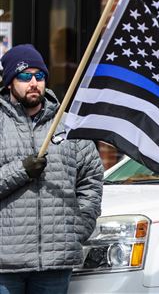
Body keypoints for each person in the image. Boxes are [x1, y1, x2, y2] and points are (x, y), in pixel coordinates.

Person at [0, 44, 103, 294]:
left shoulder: (68, 126)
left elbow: (91, 180)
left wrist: (77, 229)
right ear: (10, 81)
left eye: (40, 76)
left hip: (55, 262)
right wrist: (21, 170)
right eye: (25, 76)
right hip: (5, 263)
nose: (33, 82)